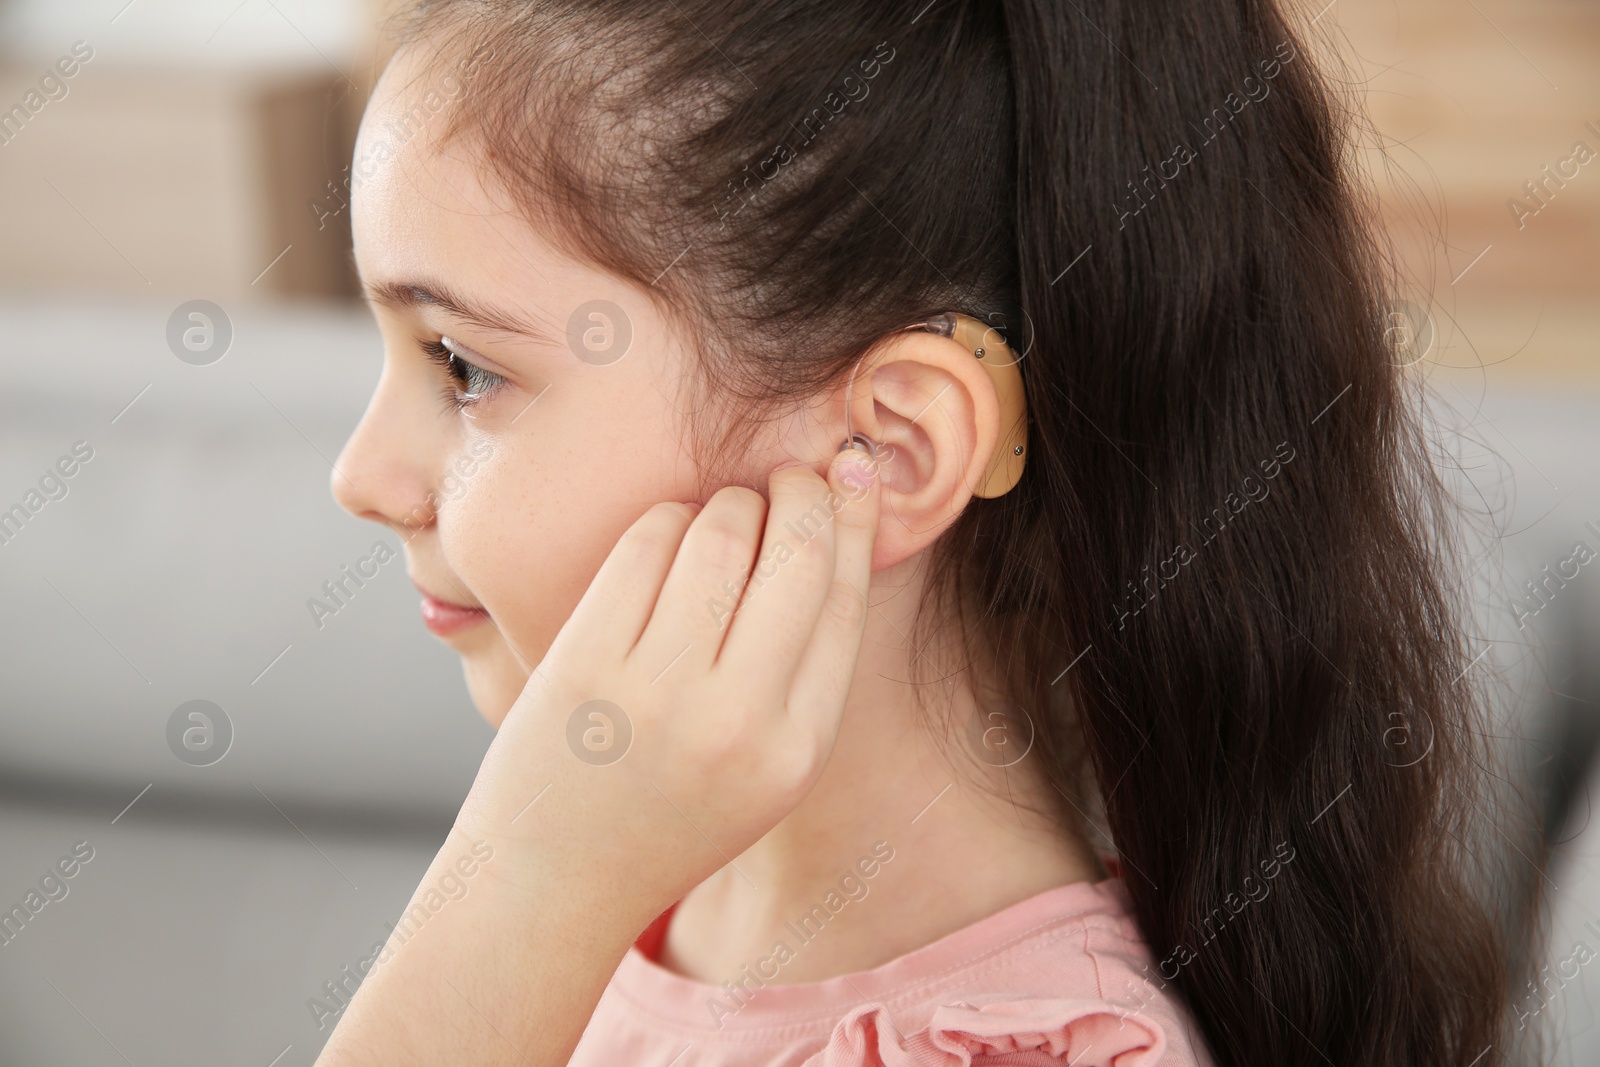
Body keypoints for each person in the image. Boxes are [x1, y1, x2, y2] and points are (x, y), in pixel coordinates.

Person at [318, 1, 1530, 1063]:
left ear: (891, 451)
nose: (359, 475)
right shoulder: (616, 912)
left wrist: (533, 882)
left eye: (464, 365)